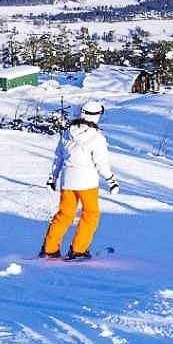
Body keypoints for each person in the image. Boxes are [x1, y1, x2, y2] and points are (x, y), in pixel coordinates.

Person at [40, 100, 120, 261]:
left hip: (67, 182)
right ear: (97, 116)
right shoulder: (97, 138)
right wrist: (111, 180)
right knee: (90, 214)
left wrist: (52, 178)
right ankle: (78, 250)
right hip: (87, 183)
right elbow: (101, 163)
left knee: (65, 215)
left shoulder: (67, 133)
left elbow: (58, 158)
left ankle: (49, 249)